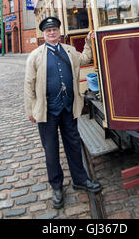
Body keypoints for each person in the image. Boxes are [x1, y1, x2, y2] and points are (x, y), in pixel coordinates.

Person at [24, 16, 102, 209]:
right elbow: (29, 84)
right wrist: (30, 110)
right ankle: (56, 186)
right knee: (51, 150)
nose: (52, 32)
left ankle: (80, 179)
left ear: (59, 31)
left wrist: (88, 42)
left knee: (74, 145)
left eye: (55, 29)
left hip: (68, 107)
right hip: (47, 111)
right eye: (48, 30)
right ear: (44, 33)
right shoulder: (35, 55)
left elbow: (85, 58)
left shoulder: (69, 50)